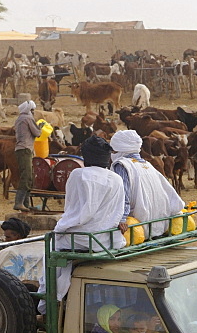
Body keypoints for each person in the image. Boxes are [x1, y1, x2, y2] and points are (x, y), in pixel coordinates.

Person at [38, 136, 126, 310]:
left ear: (86, 157)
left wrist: (63, 226)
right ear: (107, 158)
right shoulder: (116, 179)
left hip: (79, 238)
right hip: (106, 240)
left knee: (50, 249)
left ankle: (48, 300)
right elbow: (118, 211)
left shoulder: (78, 174)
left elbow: (71, 207)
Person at [109, 130, 185, 239]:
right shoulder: (147, 165)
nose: (112, 154)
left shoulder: (122, 165)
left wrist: (122, 219)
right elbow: (171, 196)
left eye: (113, 150)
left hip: (139, 228)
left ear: (119, 149)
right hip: (159, 226)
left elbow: (123, 197)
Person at [13, 100, 39, 212]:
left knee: (28, 176)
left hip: (20, 150)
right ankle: (19, 202)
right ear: (29, 110)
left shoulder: (19, 118)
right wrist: (41, 127)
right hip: (25, 150)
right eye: (32, 110)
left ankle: (26, 205)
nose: (33, 112)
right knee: (27, 176)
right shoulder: (28, 118)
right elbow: (37, 133)